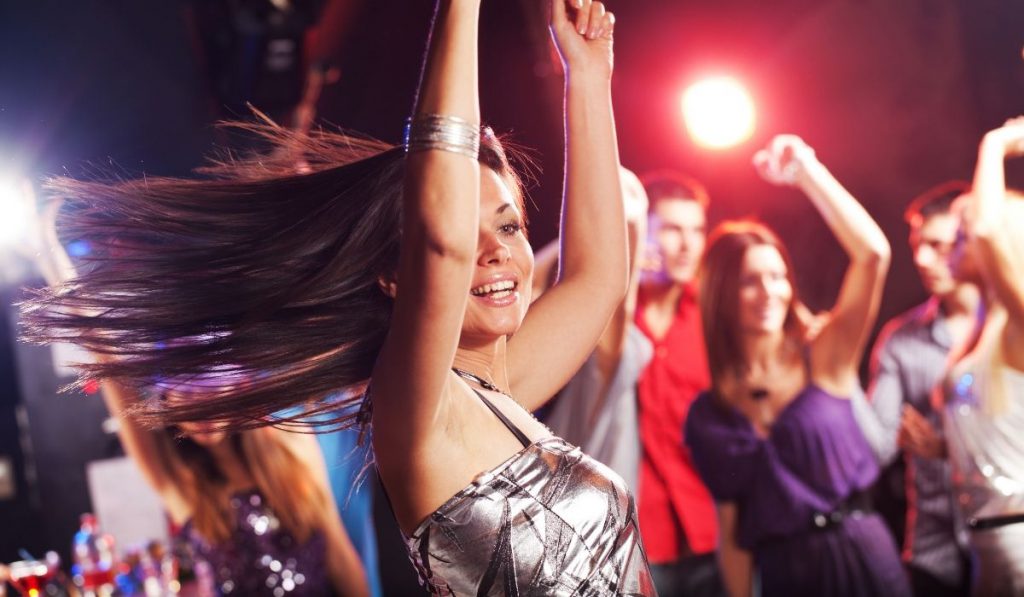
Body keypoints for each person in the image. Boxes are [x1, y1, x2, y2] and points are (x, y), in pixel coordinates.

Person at [22, 0, 656, 594]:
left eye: (510, 225)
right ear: (394, 277)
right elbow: (440, 241)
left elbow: (597, 280)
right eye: (468, 230)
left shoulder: (502, 392)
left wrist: (588, 74)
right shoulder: (418, 416)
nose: (496, 251)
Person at [23, 200, 369, 597]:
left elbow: (340, 557)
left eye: (210, 394)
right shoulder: (180, 481)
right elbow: (108, 359)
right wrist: (48, 252)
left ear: (235, 390)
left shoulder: (289, 446)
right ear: (169, 404)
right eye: (187, 399)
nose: (201, 413)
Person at [684, 134, 910, 597]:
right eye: (750, 280)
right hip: (787, 574)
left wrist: (806, 170)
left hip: (863, 556)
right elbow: (732, 534)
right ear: (722, 295)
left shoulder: (821, 356)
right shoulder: (711, 413)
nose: (770, 291)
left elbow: (873, 254)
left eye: (778, 276)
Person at [868, 181, 980, 597]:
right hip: (935, 552)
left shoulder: (1008, 332)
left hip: (1009, 539)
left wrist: (948, 447)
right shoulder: (901, 341)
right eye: (917, 245)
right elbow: (877, 447)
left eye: (937, 244)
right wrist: (832, 371)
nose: (921, 258)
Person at [632, 170, 724, 596]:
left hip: (716, 528)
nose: (688, 245)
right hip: (639, 539)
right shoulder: (612, 313)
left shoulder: (714, 315)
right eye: (671, 229)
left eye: (697, 230)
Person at [943, 117, 1024, 596]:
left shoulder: (1020, 317)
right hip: (987, 542)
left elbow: (989, 230)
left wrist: (994, 144)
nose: (960, 241)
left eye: (962, 234)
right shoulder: (983, 327)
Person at [534, 166, 652, 492]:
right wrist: (617, 223)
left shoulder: (610, 349)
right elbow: (617, 300)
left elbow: (620, 301)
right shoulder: (583, 353)